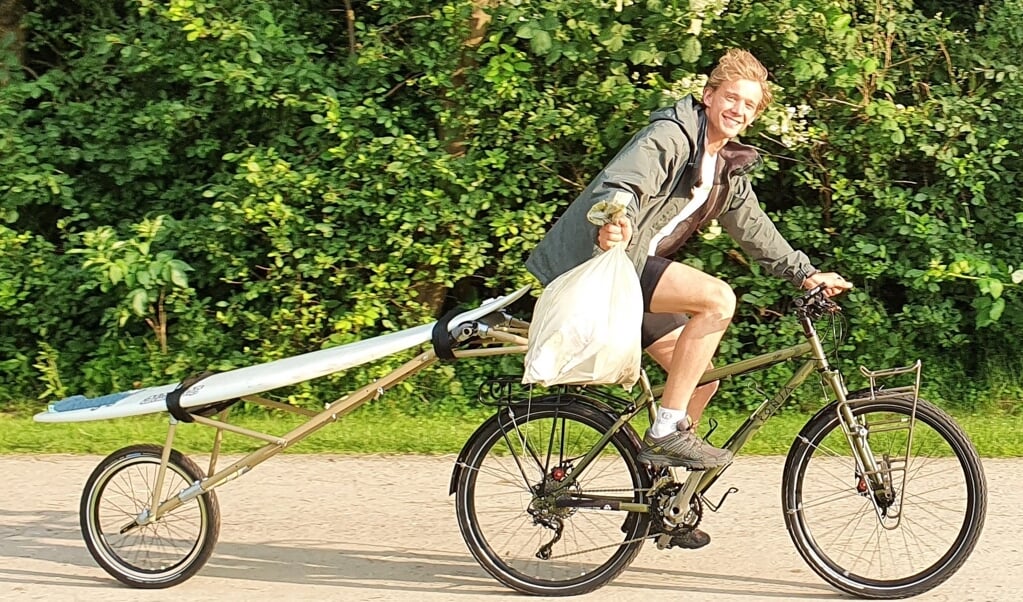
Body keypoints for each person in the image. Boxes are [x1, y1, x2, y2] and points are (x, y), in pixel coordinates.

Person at [525, 49, 851, 547]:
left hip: (631, 275)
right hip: (604, 266)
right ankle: (665, 431)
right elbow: (624, 180)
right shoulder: (673, 135)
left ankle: (663, 503)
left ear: (755, 114)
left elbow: (756, 233)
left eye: (749, 105)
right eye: (731, 98)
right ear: (709, 96)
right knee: (718, 299)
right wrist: (615, 217)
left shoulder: (724, 167)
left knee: (699, 381)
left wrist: (805, 276)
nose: (738, 109)